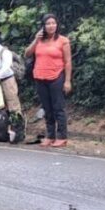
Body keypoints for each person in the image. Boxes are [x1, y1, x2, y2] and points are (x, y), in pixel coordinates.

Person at [25, 13, 72, 147]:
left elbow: (68, 62)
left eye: (53, 23)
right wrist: (35, 39)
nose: (51, 26)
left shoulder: (63, 40)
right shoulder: (39, 40)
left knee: (59, 108)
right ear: (43, 26)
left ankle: (62, 136)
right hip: (40, 77)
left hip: (56, 77)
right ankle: (50, 135)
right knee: (47, 108)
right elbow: (27, 53)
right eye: (48, 24)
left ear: (57, 25)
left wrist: (67, 81)